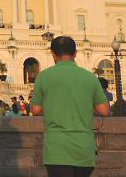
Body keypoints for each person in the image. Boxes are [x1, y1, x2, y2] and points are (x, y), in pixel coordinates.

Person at [31, 36, 109, 177]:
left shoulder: (44, 76)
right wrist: (83, 104)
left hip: (56, 149)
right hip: (84, 149)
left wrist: (53, 104)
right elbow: (104, 110)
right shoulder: (89, 77)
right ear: (75, 53)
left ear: (53, 54)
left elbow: (35, 109)